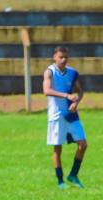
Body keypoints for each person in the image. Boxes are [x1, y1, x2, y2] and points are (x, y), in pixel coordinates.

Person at [43, 46, 87, 189]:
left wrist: (76, 102)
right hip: (56, 115)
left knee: (83, 144)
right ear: (54, 57)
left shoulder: (72, 73)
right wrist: (67, 95)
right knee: (58, 149)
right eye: (60, 57)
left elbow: (80, 91)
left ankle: (73, 175)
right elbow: (46, 90)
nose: (63, 60)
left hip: (71, 113)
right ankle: (60, 181)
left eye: (65, 57)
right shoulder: (49, 72)